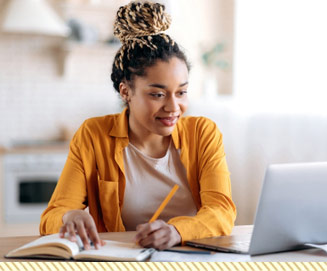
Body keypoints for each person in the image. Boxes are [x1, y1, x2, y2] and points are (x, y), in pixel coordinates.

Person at [40, 1, 236, 251]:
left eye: (181, 92)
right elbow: (51, 217)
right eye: (157, 94)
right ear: (126, 91)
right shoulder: (93, 135)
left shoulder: (203, 133)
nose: (173, 107)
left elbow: (222, 211)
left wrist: (177, 231)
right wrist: (68, 217)